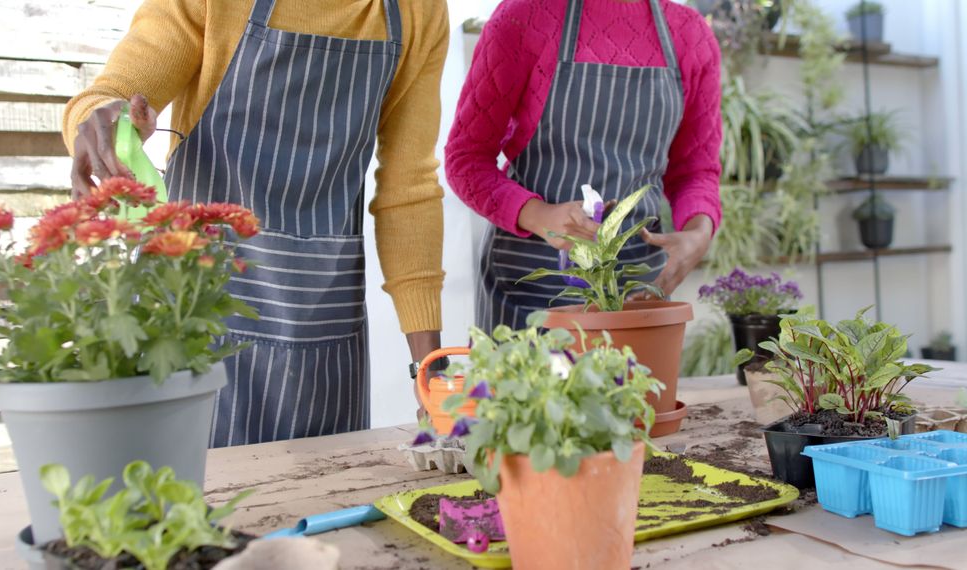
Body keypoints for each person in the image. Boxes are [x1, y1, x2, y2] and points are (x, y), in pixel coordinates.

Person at [63, 0, 450, 447]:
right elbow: (115, 92)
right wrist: (98, 119)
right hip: (194, 315)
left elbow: (409, 189)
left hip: (322, 331)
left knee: (328, 505)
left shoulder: (419, 11)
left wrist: (431, 371)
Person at [446, 0, 722, 331]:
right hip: (528, 298)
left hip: (637, 299)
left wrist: (698, 233)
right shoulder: (524, 16)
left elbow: (695, 170)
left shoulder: (689, 35)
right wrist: (540, 215)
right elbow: (465, 159)